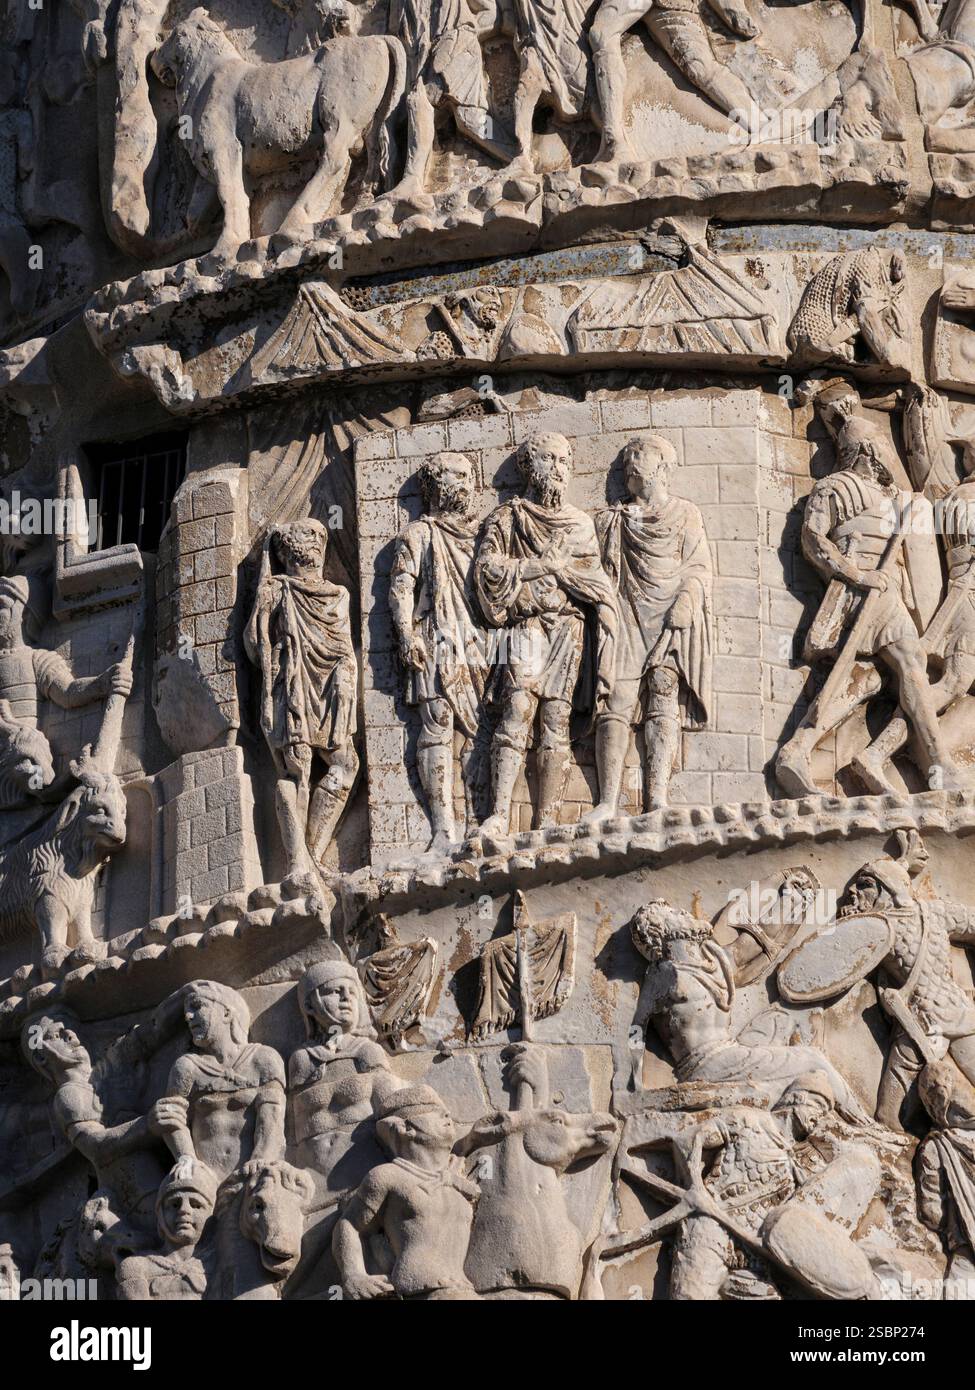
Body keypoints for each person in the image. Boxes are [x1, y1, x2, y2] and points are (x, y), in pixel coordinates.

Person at [474, 432, 618, 836]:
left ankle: (547, 820)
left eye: (563, 461)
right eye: (549, 460)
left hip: (567, 628)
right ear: (527, 467)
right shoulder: (508, 518)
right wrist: (540, 566)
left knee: (556, 718)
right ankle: (498, 814)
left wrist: (569, 579)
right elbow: (487, 572)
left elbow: (595, 581)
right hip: (526, 624)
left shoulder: (580, 524)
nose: (558, 469)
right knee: (517, 708)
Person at [587, 434, 712, 820]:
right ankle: (607, 802)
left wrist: (687, 602)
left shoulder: (685, 513)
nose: (629, 462)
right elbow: (592, 570)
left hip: (669, 611)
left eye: (637, 455)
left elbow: (698, 566)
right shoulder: (611, 518)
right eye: (625, 458)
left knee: (663, 690)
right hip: (623, 613)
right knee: (615, 699)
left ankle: (656, 798)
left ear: (662, 465)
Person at [244, 520, 359, 876]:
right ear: (283, 551)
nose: (313, 542)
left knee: (346, 764)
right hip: (292, 686)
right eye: (305, 536)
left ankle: (314, 852)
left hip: (332, 690)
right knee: (298, 771)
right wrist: (265, 618)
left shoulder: (339, 594)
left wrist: (346, 678)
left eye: (317, 536)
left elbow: (344, 646)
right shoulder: (276, 590)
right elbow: (252, 645)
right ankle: (296, 864)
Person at [388, 452, 488, 851]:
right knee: (437, 723)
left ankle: (482, 820)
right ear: (434, 485)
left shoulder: (482, 532)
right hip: (434, 636)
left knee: (483, 728)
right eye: (455, 477)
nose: (464, 485)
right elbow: (400, 587)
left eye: (468, 477)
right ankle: (443, 828)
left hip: (481, 640)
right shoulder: (419, 534)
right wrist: (405, 636)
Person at [332, 1084, 481, 1299]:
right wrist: (353, 1275)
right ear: (406, 1129)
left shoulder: (456, 1177)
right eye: (433, 1111)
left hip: (463, 1288)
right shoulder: (389, 1176)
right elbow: (349, 1225)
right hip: (421, 1288)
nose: (447, 1114)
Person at [116, 1157, 217, 1301]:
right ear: (160, 1214)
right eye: (175, 1204)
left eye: (196, 1204)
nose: (184, 1210)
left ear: (211, 1214)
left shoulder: (221, 1262)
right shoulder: (137, 1266)